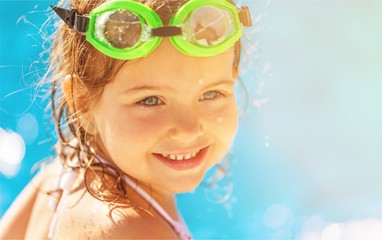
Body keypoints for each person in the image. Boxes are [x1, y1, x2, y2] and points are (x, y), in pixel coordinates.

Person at [0, 0, 252, 239]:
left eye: (210, 93)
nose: (188, 130)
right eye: (150, 100)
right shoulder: (135, 233)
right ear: (83, 104)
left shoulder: (64, 169)